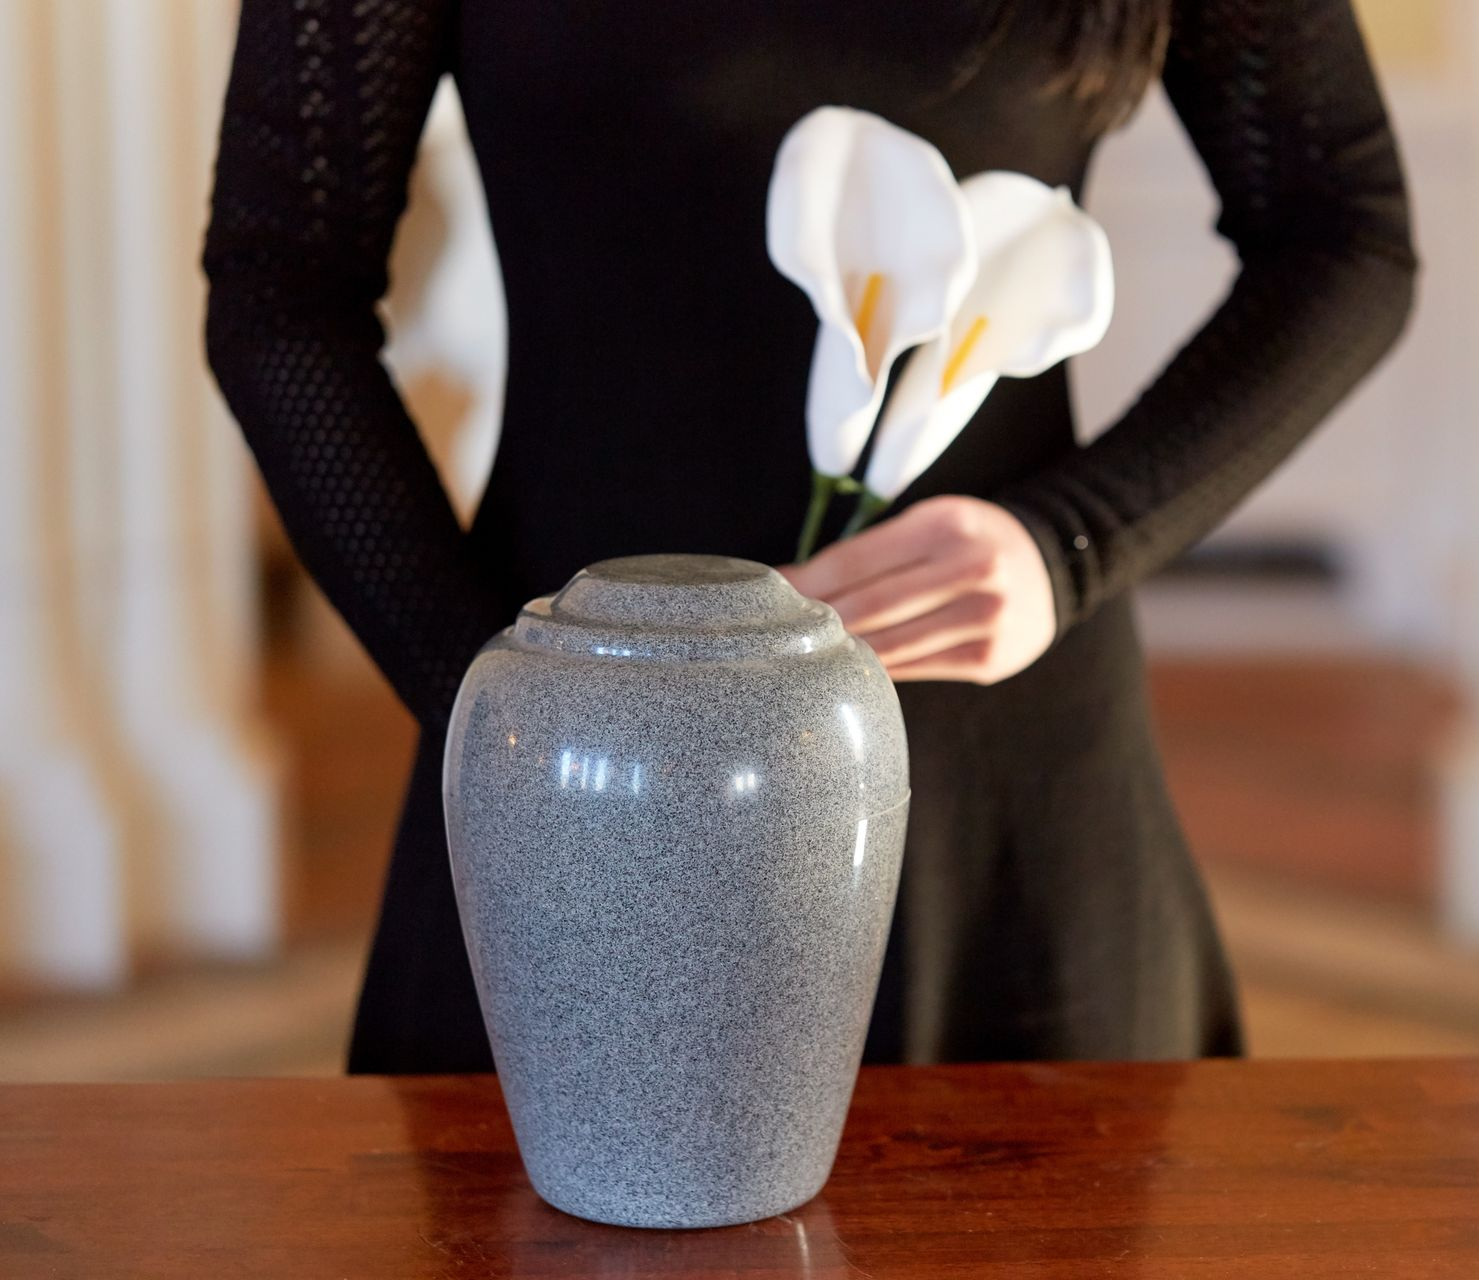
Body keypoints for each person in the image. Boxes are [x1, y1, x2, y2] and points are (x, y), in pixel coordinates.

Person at [202, 1, 1417, 1073]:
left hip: (998, 792)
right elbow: (280, 284)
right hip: (569, 781)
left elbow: (1341, 228)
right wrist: (504, 708)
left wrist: (1077, 541)